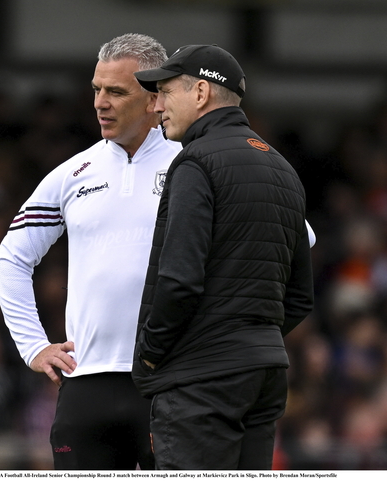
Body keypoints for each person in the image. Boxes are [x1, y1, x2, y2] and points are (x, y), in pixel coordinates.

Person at [0, 33, 181, 470]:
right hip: (85, 387)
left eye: (116, 91)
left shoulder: (196, 164)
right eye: (96, 89)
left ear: (155, 98)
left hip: (170, 383)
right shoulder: (74, 172)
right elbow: (11, 259)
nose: (100, 103)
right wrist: (33, 345)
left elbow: (292, 239)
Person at [131, 44, 315, 470]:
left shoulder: (195, 162)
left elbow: (179, 280)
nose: (156, 106)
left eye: (164, 92)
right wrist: (248, 339)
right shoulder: (284, 170)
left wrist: (150, 355)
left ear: (200, 93)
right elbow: (300, 297)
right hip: (265, 375)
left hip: (201, 379)